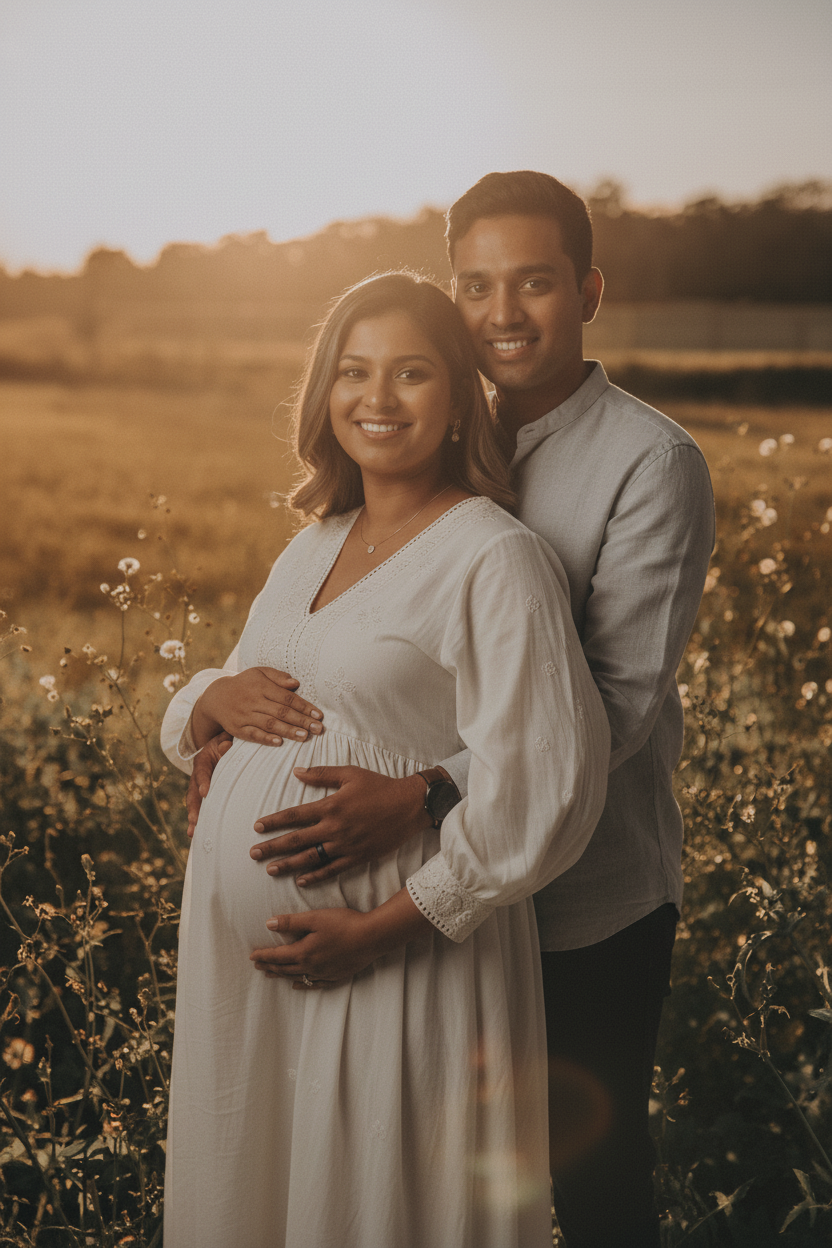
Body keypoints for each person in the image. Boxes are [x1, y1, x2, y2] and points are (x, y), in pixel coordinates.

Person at [189, 171, 716, 1247]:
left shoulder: (647, 463)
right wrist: (209, 715)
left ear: (589, 291)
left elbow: (608, 707)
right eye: (476, 286)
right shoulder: (396, 460)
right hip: (420, 907)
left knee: (582, 1169)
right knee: (419, 1172)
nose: (503, 314)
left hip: (584, 897)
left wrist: (425, 796)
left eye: (533, 283)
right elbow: (322, 655)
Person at [161, 271, 610, 1248]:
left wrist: (389, 927)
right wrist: (206, 704)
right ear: (325, 393)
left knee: (379, 1202)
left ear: (457, 398)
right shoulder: (312, 544)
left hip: (399, 958)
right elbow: (249, 685)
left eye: (411, 373)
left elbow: (550, 771)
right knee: (266, 1196)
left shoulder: (493, 557)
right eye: (354, 372)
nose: (377, 397)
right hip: (256, 983)